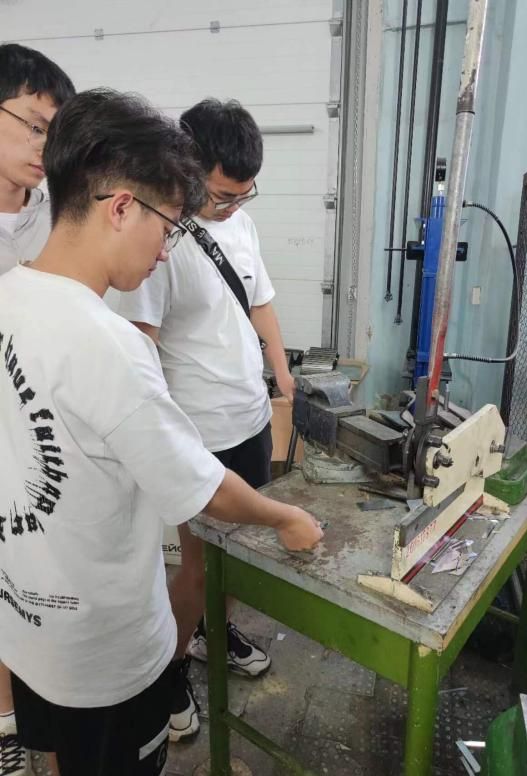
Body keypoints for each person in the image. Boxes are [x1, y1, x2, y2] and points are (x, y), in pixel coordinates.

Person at [0, 87, 323, 776]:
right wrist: (287, 516)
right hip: (108, 658)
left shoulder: (8, 296)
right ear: (121, 207)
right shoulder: (111, 345)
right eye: (170, 226)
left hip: (28, 632)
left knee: (61, 759)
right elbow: (203, 489)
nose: (167, 249)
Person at [118, 98, 296, 740]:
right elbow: (140, 345)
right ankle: (167, 672)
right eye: (222, 195)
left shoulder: (240, 226)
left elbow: (261, 301)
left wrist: (283, 375)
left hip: (249, 419)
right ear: (187, 169)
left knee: (237, 557)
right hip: (200, 436)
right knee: (196, 566)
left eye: (244, 195)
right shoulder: (160, 239)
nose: (232, 207)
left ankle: (210, 635)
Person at [0, 42, 75, 776]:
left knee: (39, 587)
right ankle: (5, 725)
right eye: (32, 125)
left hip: (46, 439)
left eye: (55, 133)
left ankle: (46, 725)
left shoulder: (57, 212)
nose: (43, 148)